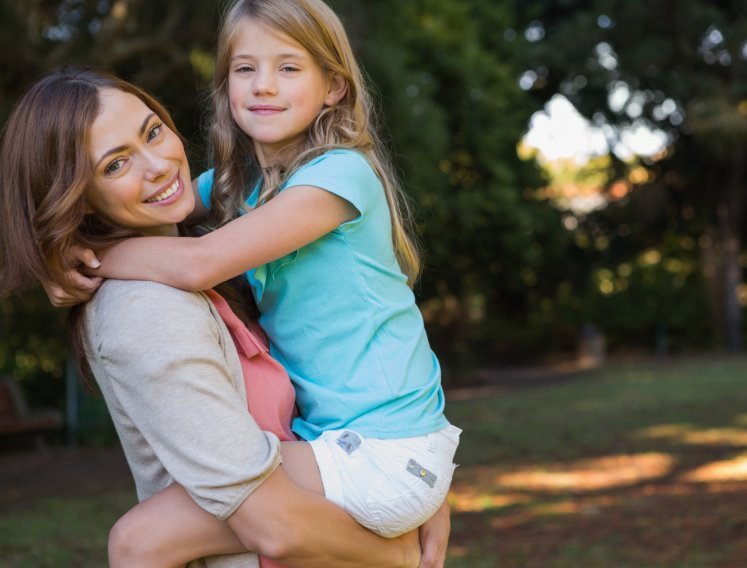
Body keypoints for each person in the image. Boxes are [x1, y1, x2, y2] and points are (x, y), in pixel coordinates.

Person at [0, 67, 451, 568]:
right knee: (139, 539)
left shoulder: (209, 253)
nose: (157, 165)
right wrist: (403, 553)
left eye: (152, 131)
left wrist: (405, 476)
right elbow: (272, 526)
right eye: (115, 165)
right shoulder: (145, 307)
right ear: (76, 198)